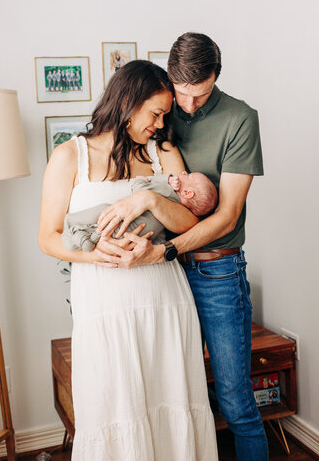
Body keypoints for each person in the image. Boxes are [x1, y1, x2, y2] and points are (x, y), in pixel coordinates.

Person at [96, 34, 268, 461]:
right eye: (181, 94)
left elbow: (226, 216)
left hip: (215, 271)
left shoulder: (240, 118)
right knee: (170, 392)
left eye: (201, 94)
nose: (188, 106)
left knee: (235, 399)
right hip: (157, 276)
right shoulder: (158, 112)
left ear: (216, 78)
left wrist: (168, 250)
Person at [39, 60, 218, 461]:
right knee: (113, 404)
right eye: (155, 112)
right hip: (105, 303)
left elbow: (189, 221)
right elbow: (47, 238)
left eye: (164, 115)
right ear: (128, 102)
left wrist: (151, 198)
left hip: (163, 296)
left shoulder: (164, 153)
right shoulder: (70, 157)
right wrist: (92, 253)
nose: (160, 123)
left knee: (170, 396)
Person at [61, 170, 217, 252]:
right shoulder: (174, 211)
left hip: (123, 227)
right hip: (131, 237)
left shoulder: (168, 192)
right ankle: (83, 238)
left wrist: (163, 179)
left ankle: (75, 234)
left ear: (188, 193)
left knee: (96, 214)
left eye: (188, 175)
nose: (183, 173)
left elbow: (138, 188)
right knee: (98, 231)